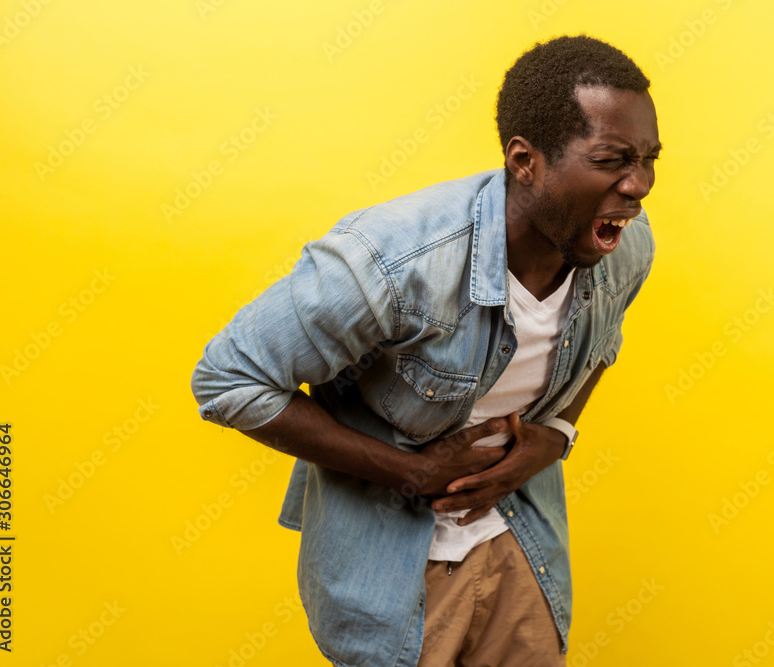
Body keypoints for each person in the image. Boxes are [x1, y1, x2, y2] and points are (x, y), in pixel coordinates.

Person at [191, 33, 660, 667]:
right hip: (396, 579)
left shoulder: (622, 245)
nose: (639, 185)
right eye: (612, 159)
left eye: (649, 159)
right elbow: (227, 380)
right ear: (526, 160)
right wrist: (408, 472)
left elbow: (602, 339)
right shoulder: (394, 262)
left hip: (522, 547)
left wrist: (558, 432)